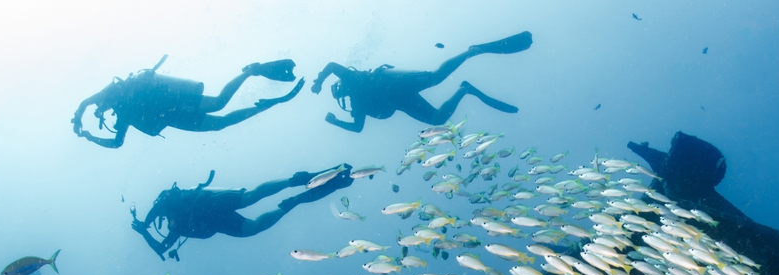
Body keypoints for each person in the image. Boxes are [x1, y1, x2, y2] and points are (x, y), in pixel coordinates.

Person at [311, 31, 533, 133]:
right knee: (437, 120)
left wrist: (318, 82)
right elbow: (358, 129)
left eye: (340, 86)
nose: (344, 88)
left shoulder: (353, 77)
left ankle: (471, 51)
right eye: (341, 91)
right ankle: (465, 89)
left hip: (395, 83)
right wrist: (335, 123)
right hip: (400, 100)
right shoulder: (357, 104)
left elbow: (331, 65)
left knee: (436, 77)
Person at [72, 55, 304, 148]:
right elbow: (117, 143)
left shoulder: (114, 92)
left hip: (172, 99)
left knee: (218, 103)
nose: (100, 109)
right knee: (221, 123)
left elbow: (85, 102)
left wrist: (78, 118)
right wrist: (90, 136)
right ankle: (266, 105)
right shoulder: (122, 115)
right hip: (172, 116)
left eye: (99, 109)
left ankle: (250, 71)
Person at [131, 166, 353, 260]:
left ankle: (293, 181)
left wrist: (144, 225)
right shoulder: (176, 226)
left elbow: (156, 210)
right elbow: (162, 249)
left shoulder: (167, 204)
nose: (167, 224)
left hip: (209, 204)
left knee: (251, 197)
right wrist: (144, 233)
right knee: (252, 228)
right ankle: (290, 203)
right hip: (216, 223)